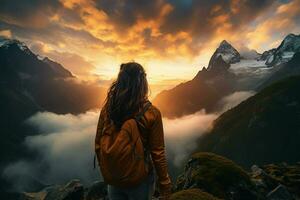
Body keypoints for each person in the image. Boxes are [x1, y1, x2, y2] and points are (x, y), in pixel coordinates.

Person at [95, 62, 172, 200]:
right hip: (139, 180)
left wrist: (108, 168)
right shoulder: (151, 113)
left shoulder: (108, 109)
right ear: (142, 82)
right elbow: (157, 153)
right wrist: (164, 184)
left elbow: (98, 143)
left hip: (114, 179)